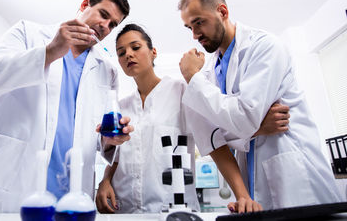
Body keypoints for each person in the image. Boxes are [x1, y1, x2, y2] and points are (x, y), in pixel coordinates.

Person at [0, 0, 133, 212]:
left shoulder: (107, 70)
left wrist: (109, 141)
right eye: (103, 14)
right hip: (14, 183)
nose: (105, 26)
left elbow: (98, 132)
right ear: (84, 5)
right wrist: (49, 51)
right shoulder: (28, 33)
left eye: (113, 24)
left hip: (71, 193)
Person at [178, 0, 343, 210]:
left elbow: (241, 119)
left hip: (297, 179)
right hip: (254, 184)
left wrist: (193, 77)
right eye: (189, 27)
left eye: (199, 22)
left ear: (222, 12)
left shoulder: (264, 47)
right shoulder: (210, 71)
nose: (195, 34)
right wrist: (257, 127)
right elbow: (214, 138)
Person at [95, 24, 291, 214]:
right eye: (121, 52)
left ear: (153, 52)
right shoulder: (120, 106)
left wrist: (243, 196)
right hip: (125, 210)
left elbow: (215, 143)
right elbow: (119, 155)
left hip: (173, 209)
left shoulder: (182, 92)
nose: (128, 54)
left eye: (135, 47)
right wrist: (105, 180)